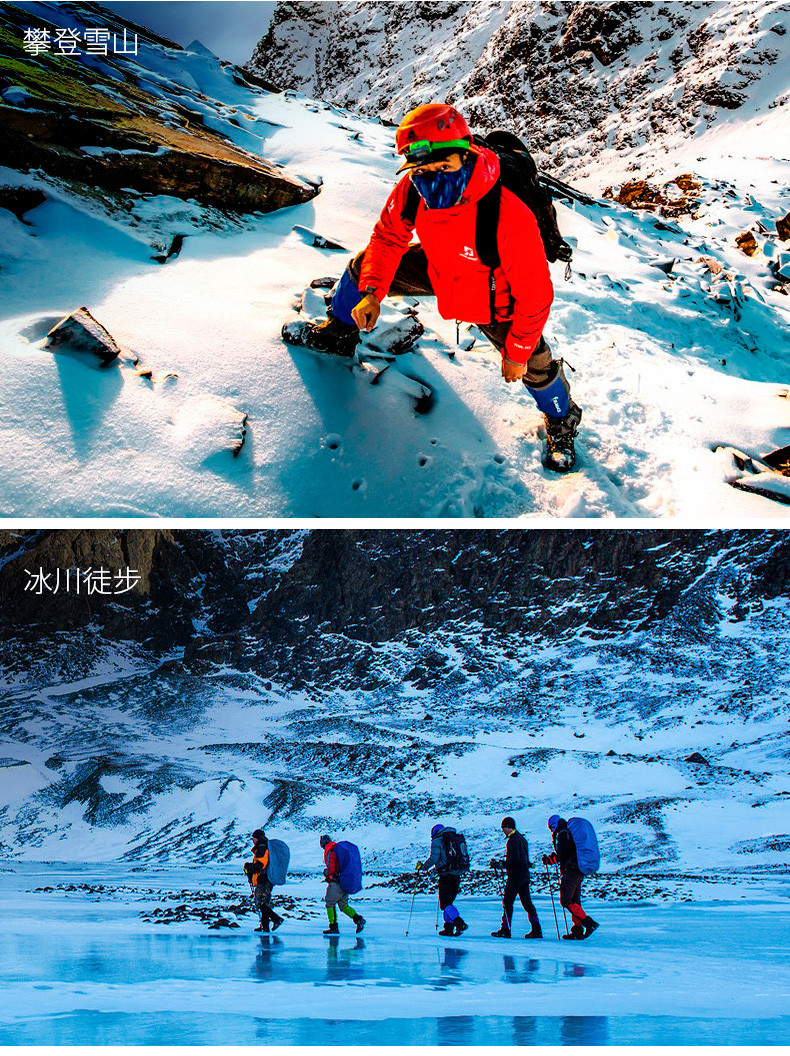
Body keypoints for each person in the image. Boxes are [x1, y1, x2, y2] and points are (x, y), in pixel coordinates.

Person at [282, 102, 583, 473]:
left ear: (466, 154)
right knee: (363, 269)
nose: (433, 178)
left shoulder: (506, 212)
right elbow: (388, 236)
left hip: (493, 293)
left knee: (534, 365)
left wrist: (517, 352)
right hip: (440, 267)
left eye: (444, 167)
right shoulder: (411, 190)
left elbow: (535, 294)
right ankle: (339, 334)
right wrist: (374, 292)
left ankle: (561, 419)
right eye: (423, 170)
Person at [543, 815, 599, 939]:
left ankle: (589, 923)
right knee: (574, 902)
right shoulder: (567, 832)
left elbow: (563, 855)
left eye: (551, 828)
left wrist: (550, 860)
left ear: (555, 825)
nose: (551, 831)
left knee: (566, 901)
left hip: (571, 871)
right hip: (578, 870)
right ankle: (577, 931)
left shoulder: (563, 834)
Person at [489, 816, 542, 939]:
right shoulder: (522, 839)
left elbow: (513, 860)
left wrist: (500, 864)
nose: (503, 830)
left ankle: (505, 929)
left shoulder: (512, 840)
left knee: (508, 902)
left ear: (508, 827)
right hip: (524, 875)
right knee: (527, 903)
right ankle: (536, 928)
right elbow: (523, 859)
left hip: (515, 876)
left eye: (503, 828)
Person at [416, 822, 468, 937]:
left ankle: (459, 923)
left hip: (445, 875)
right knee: (449, 903)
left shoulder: (437, 840)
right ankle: (448, 928)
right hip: (456, 875)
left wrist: (423, 867)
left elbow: (434, 858)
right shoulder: (454, 838)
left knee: (445, 903)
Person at [320, 834, 366, 934]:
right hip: (344, 882)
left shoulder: (330, 851)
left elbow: (332, 868)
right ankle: (358, 919)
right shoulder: (337, 850)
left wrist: (327, 873)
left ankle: (333, 927)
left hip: (336, 883)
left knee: (330, 902)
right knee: (343, 905)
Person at [243, 828, 284, 933]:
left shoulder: (261, 849)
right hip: (266, 879)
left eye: (254, 838)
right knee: (264, 903)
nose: (253, 840)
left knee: (261, 903)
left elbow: (261, 864)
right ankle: (265, 927)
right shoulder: (264, 847)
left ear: (258, 838)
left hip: (263, 879)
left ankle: (276, 919)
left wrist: (250, 868)